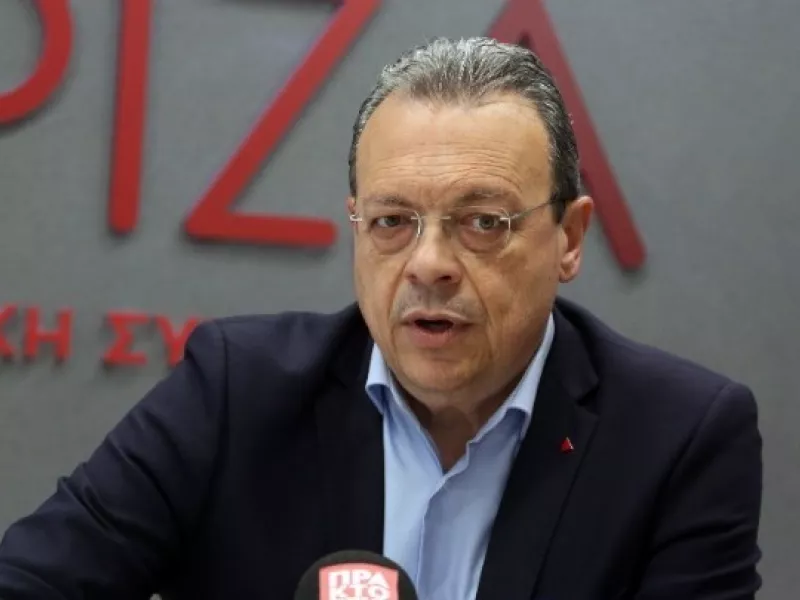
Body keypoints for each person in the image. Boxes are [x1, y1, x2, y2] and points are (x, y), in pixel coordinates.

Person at [0, 37, 762, 600]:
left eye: (483, 222)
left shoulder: (677, 439)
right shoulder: (235, 393)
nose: (428, 264)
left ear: (568, 238)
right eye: (393, 222)